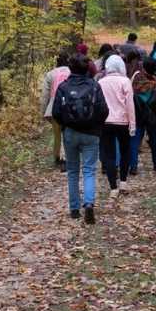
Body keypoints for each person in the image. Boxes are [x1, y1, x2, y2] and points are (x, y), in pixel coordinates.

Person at [52, 55, 108, 224]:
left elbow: (56, 112)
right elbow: (103, 110)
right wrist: (96, 126)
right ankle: (89, 204)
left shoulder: (63, 87)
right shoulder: (94, 86)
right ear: (87, 69)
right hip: (91, 133)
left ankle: (74, 208)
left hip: (70, 132)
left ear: (71, 68)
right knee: (89, 170)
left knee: (73, 171)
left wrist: (65, 125)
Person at [97, 54, 135, 197]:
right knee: (125, 151)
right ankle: (123, 181)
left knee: (109, 154)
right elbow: (130, 104)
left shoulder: (101, 82)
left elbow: (99, 104)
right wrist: (133, 124)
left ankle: (113, 188)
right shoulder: (125, 81)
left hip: (106, 122)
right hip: (123, 121)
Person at [130, 57, 156, 174]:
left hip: (138, 113)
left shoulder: (136, 78)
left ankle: (133, 166)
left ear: (144, 67)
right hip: (152, 115)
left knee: (135, 140)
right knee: (154, 140)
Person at [41, 52, 71, 169]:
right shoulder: (72, 72)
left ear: (57, 62)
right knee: (68, 132)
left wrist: (43, 110)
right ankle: (67, 157)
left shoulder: (50, 74)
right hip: (70, 106)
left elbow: (45, 95)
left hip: (54, 107)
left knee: (57, 134)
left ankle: (58, 157)